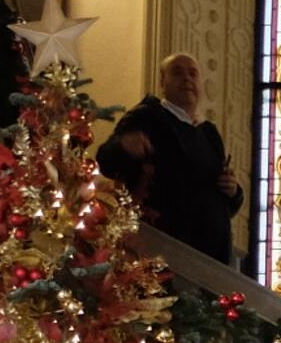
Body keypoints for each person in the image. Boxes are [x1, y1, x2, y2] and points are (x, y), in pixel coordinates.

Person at [97, 53, 241, 263]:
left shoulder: (209, 133)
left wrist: (234, 191)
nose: (187, 79)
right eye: (177, 72)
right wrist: (124, 146)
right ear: (162, 82)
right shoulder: (147, 116)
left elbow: (221, 197)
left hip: (211, 258)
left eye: (193, 73)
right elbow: (106, 162)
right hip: (162, 250)